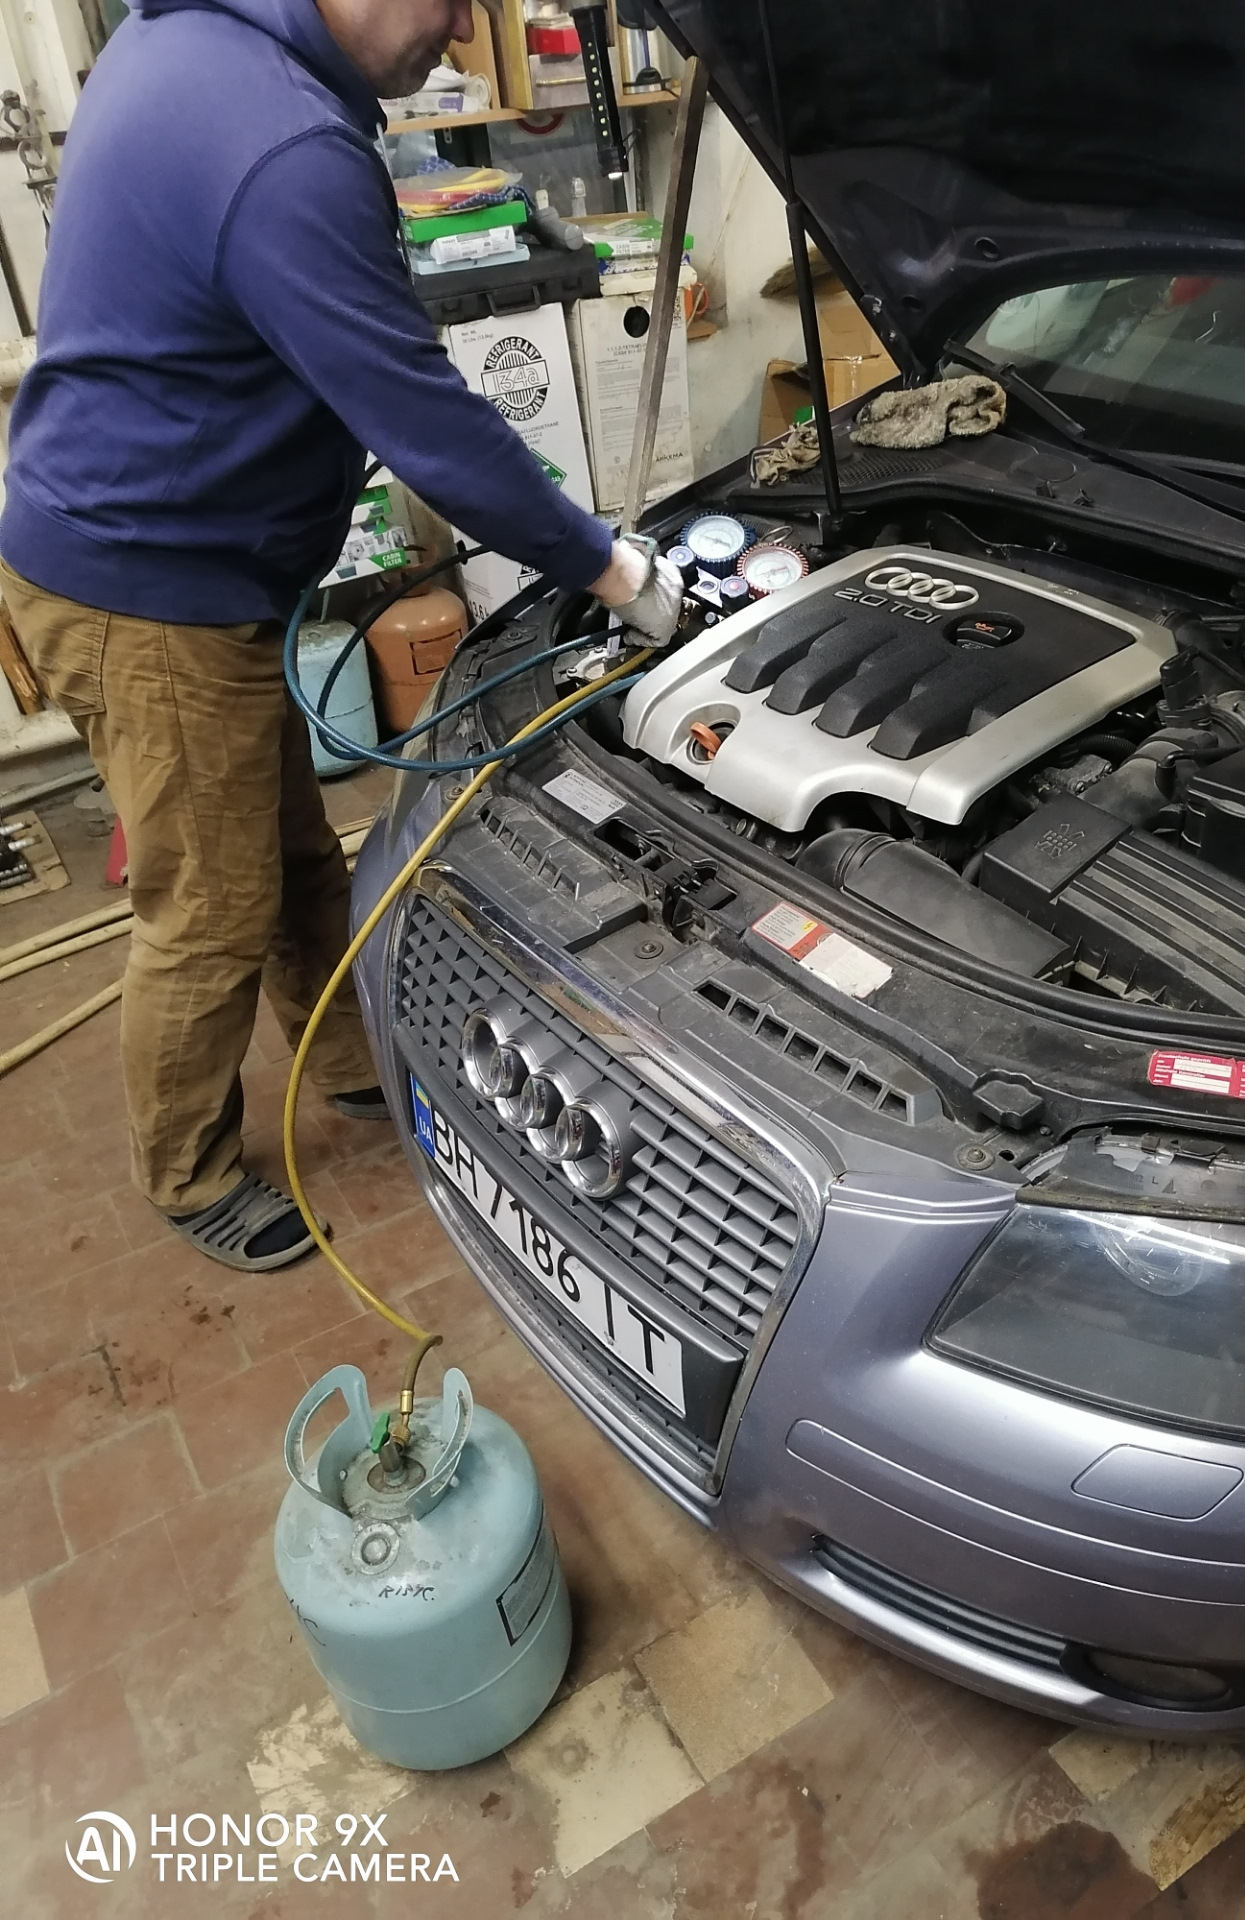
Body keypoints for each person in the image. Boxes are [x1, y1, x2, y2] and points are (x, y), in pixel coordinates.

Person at [0, 0, 681, 1273]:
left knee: (289, 851)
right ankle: (187, 1170)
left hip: (151, 556)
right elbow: (426, 424)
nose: (461, 30)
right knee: (209, 902)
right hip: (150, 588)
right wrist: (612, 569)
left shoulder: (188, 41)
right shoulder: (283, 143)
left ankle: (350, 1056)